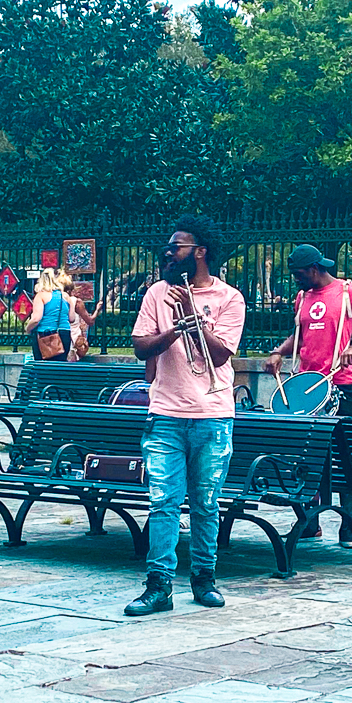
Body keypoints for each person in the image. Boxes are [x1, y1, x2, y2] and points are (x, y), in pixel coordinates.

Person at [126, 214, 246, 616]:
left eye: (176, 245)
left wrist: (194, 317)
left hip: (213, 414)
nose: (168, 250)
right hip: (165, 414)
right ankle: (158, 586)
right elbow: (142, 348)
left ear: (200, 251)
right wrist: (175, 328)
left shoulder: (230, 298)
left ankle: (204, 579)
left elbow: (219, 354)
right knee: (162, 502)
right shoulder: (157, 294)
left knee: (206, 502)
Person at [263, 244, 352, 546]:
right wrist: (279, 351)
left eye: (298, 273)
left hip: (340, 384)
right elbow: (301, 335)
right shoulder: (302, 297)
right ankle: (309, 522)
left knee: (347, 457)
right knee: (306, 457)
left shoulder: (349, 293)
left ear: (314, 269)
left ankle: (348, 524)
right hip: (307, 386)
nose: (295, 279)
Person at [24, 268, 72, 361]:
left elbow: (36, 319)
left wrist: (28, 328)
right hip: (65, 333)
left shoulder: (41, 296)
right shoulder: (65, 296)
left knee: (43, 367)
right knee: (60, 368)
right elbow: (72, 318)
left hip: (46, 336)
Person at [57, 271, 104, 362]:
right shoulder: (76, 302)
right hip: (73, 340)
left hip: (57, 338)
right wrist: (97, 309)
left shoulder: (54, 300)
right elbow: (90, 321)